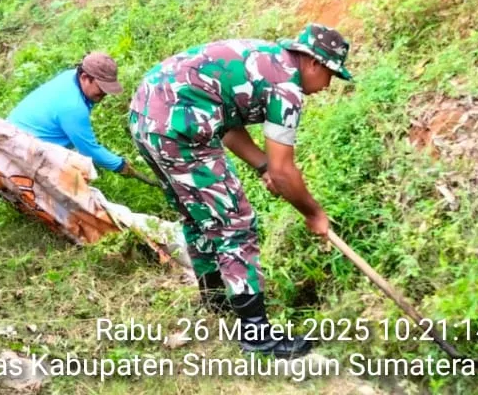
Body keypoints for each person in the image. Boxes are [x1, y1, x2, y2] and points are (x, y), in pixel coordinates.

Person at [129, 23, 354, 358]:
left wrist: (263, 166)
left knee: (198, 216)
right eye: (331, 76)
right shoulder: (287, 88)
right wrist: (314, 213)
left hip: (146, 115)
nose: (326, 87)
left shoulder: (266, 60)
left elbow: (228, 124)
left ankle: (216, 302)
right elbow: (284, 170)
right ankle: (257, 336)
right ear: (314, 64)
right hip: (180, 128)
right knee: (236, 225)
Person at [8, 52, 142, 177]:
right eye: (101, 88)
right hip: (20, 151)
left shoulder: (71, 77)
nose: (104, 94)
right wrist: (120, 165)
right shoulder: (73, 107)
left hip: (15, 133)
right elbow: (88, 149)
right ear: (84, 77)